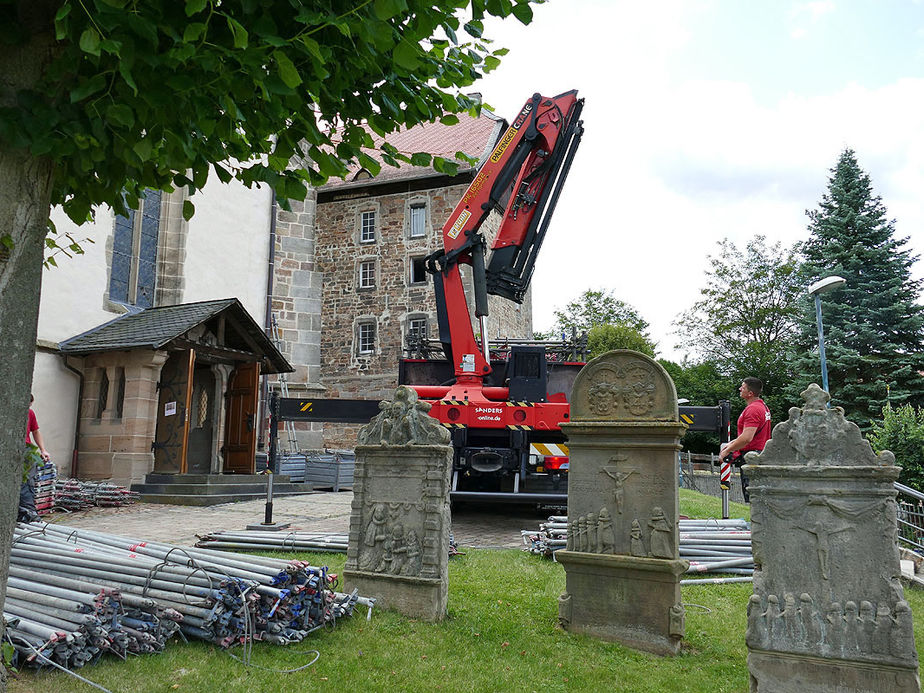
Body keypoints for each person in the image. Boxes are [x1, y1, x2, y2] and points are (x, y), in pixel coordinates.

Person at [719, 377, 771, 502]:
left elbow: (747, 438)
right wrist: (732, 443)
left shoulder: (753, 410)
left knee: (753, 497)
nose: (740, 389)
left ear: (750, 393)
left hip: (752, 457)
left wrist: (727, 450)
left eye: (743, 387)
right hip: (760, 454)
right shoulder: (762, 407)